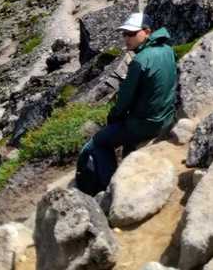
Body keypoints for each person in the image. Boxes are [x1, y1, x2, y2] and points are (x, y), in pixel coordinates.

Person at [75, 12, 177, 195]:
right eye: (124, 34)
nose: (126, 38)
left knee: (98, 143)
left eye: (131, 34)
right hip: (167, 118)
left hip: (145, 124)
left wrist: (113, 117)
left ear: (146, 31)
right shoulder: (168, 50)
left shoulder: (139, 60)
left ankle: (109, 188)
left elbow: (124, 99)